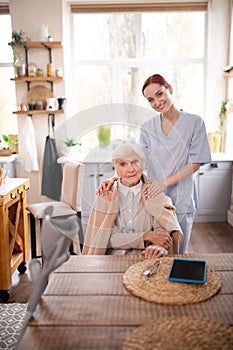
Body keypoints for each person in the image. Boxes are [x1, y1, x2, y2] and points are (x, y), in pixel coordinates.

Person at [97, 74, 211, 254]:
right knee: (155, 251)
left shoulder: (195, 122)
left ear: (170, 89)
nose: (157, 102)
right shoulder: (147, 127)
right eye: (150, 99)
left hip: (181, 197)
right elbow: (138, 162)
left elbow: (195, 163)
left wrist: (162, 184)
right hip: (152, 198)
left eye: (160, 94)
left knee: (177, 250)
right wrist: (114, 179)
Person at [82, 143, 183, 258]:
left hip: (145, 258)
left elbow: (163, 232)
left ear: (143, 164)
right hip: (111, 259)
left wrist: (157, 247)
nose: (130, 169)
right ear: (115, 167)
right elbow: (107, 239)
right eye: (123, 164)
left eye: (135, 162)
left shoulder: (154, 193)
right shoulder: (105, 194)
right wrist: (145, 236)